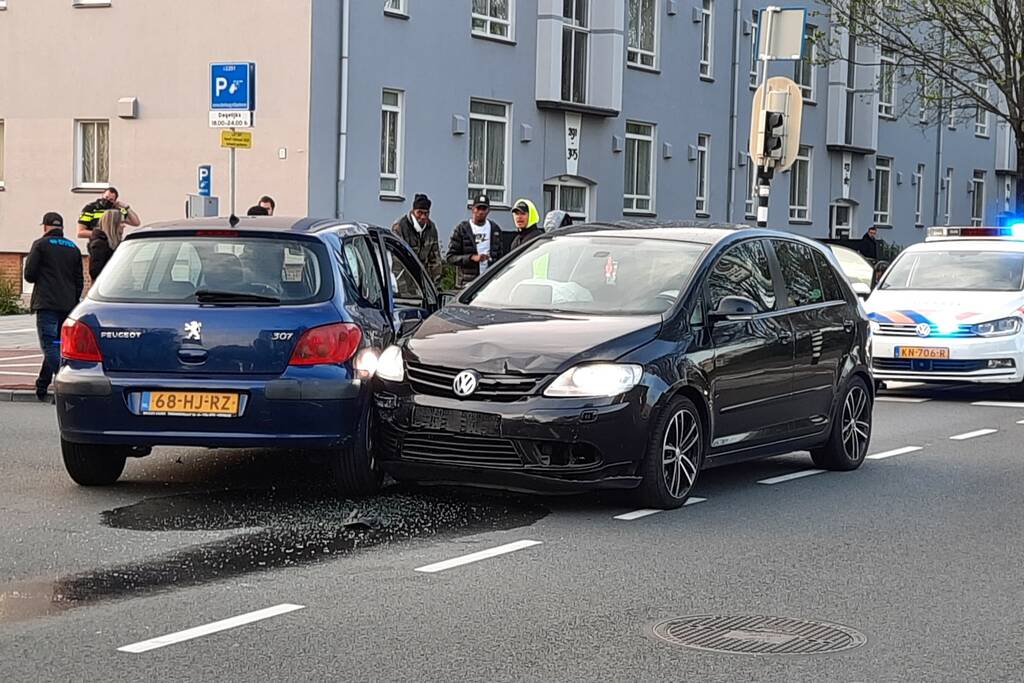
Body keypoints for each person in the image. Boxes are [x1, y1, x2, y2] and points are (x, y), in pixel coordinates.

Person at [23, 212, 84, 401]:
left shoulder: (40, 245)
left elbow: (30, 275)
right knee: (57, 345)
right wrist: (73, 301)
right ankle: (42, 386)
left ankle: (66, 380)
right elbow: (79, 280)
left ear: (45, 227)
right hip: (67, 306)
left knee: (49, 345)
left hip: (47, 304)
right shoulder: (73, 248)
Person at [446, 193, 505, 288]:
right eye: (478, 208)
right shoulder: (462, 229)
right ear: (472, 209)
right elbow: (450, 257)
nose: (481, 212)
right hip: (467, 285)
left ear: (488, 210)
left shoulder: (495, 229)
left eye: (484, 209)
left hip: (489, 283)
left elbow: (500, 258)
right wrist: (471, 258)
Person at [392, 193, 443, 285]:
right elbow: (396, 261)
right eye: (419, 212)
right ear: (413, 211)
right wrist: (401, 288)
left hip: (422, 280)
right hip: (403, 280)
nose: (423, 217)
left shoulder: (431, 228)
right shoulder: (400, 227)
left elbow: (435, 259)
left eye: (426, 213)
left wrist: (435, 286)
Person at [87, 209, 125, 280]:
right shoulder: (99, 245)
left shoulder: (118, 243)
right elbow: (95, 272)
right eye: (121, 222)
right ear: (113, 224)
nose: (124, 226)